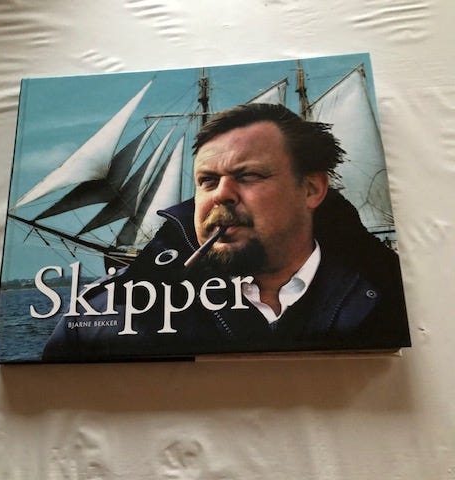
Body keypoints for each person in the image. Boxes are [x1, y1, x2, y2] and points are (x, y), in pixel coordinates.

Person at [43, 103, 411, 362]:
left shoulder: (393, 293)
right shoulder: (99, 315)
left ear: (312, 190)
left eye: (248, 175)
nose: (220, 194)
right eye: (207, 180)